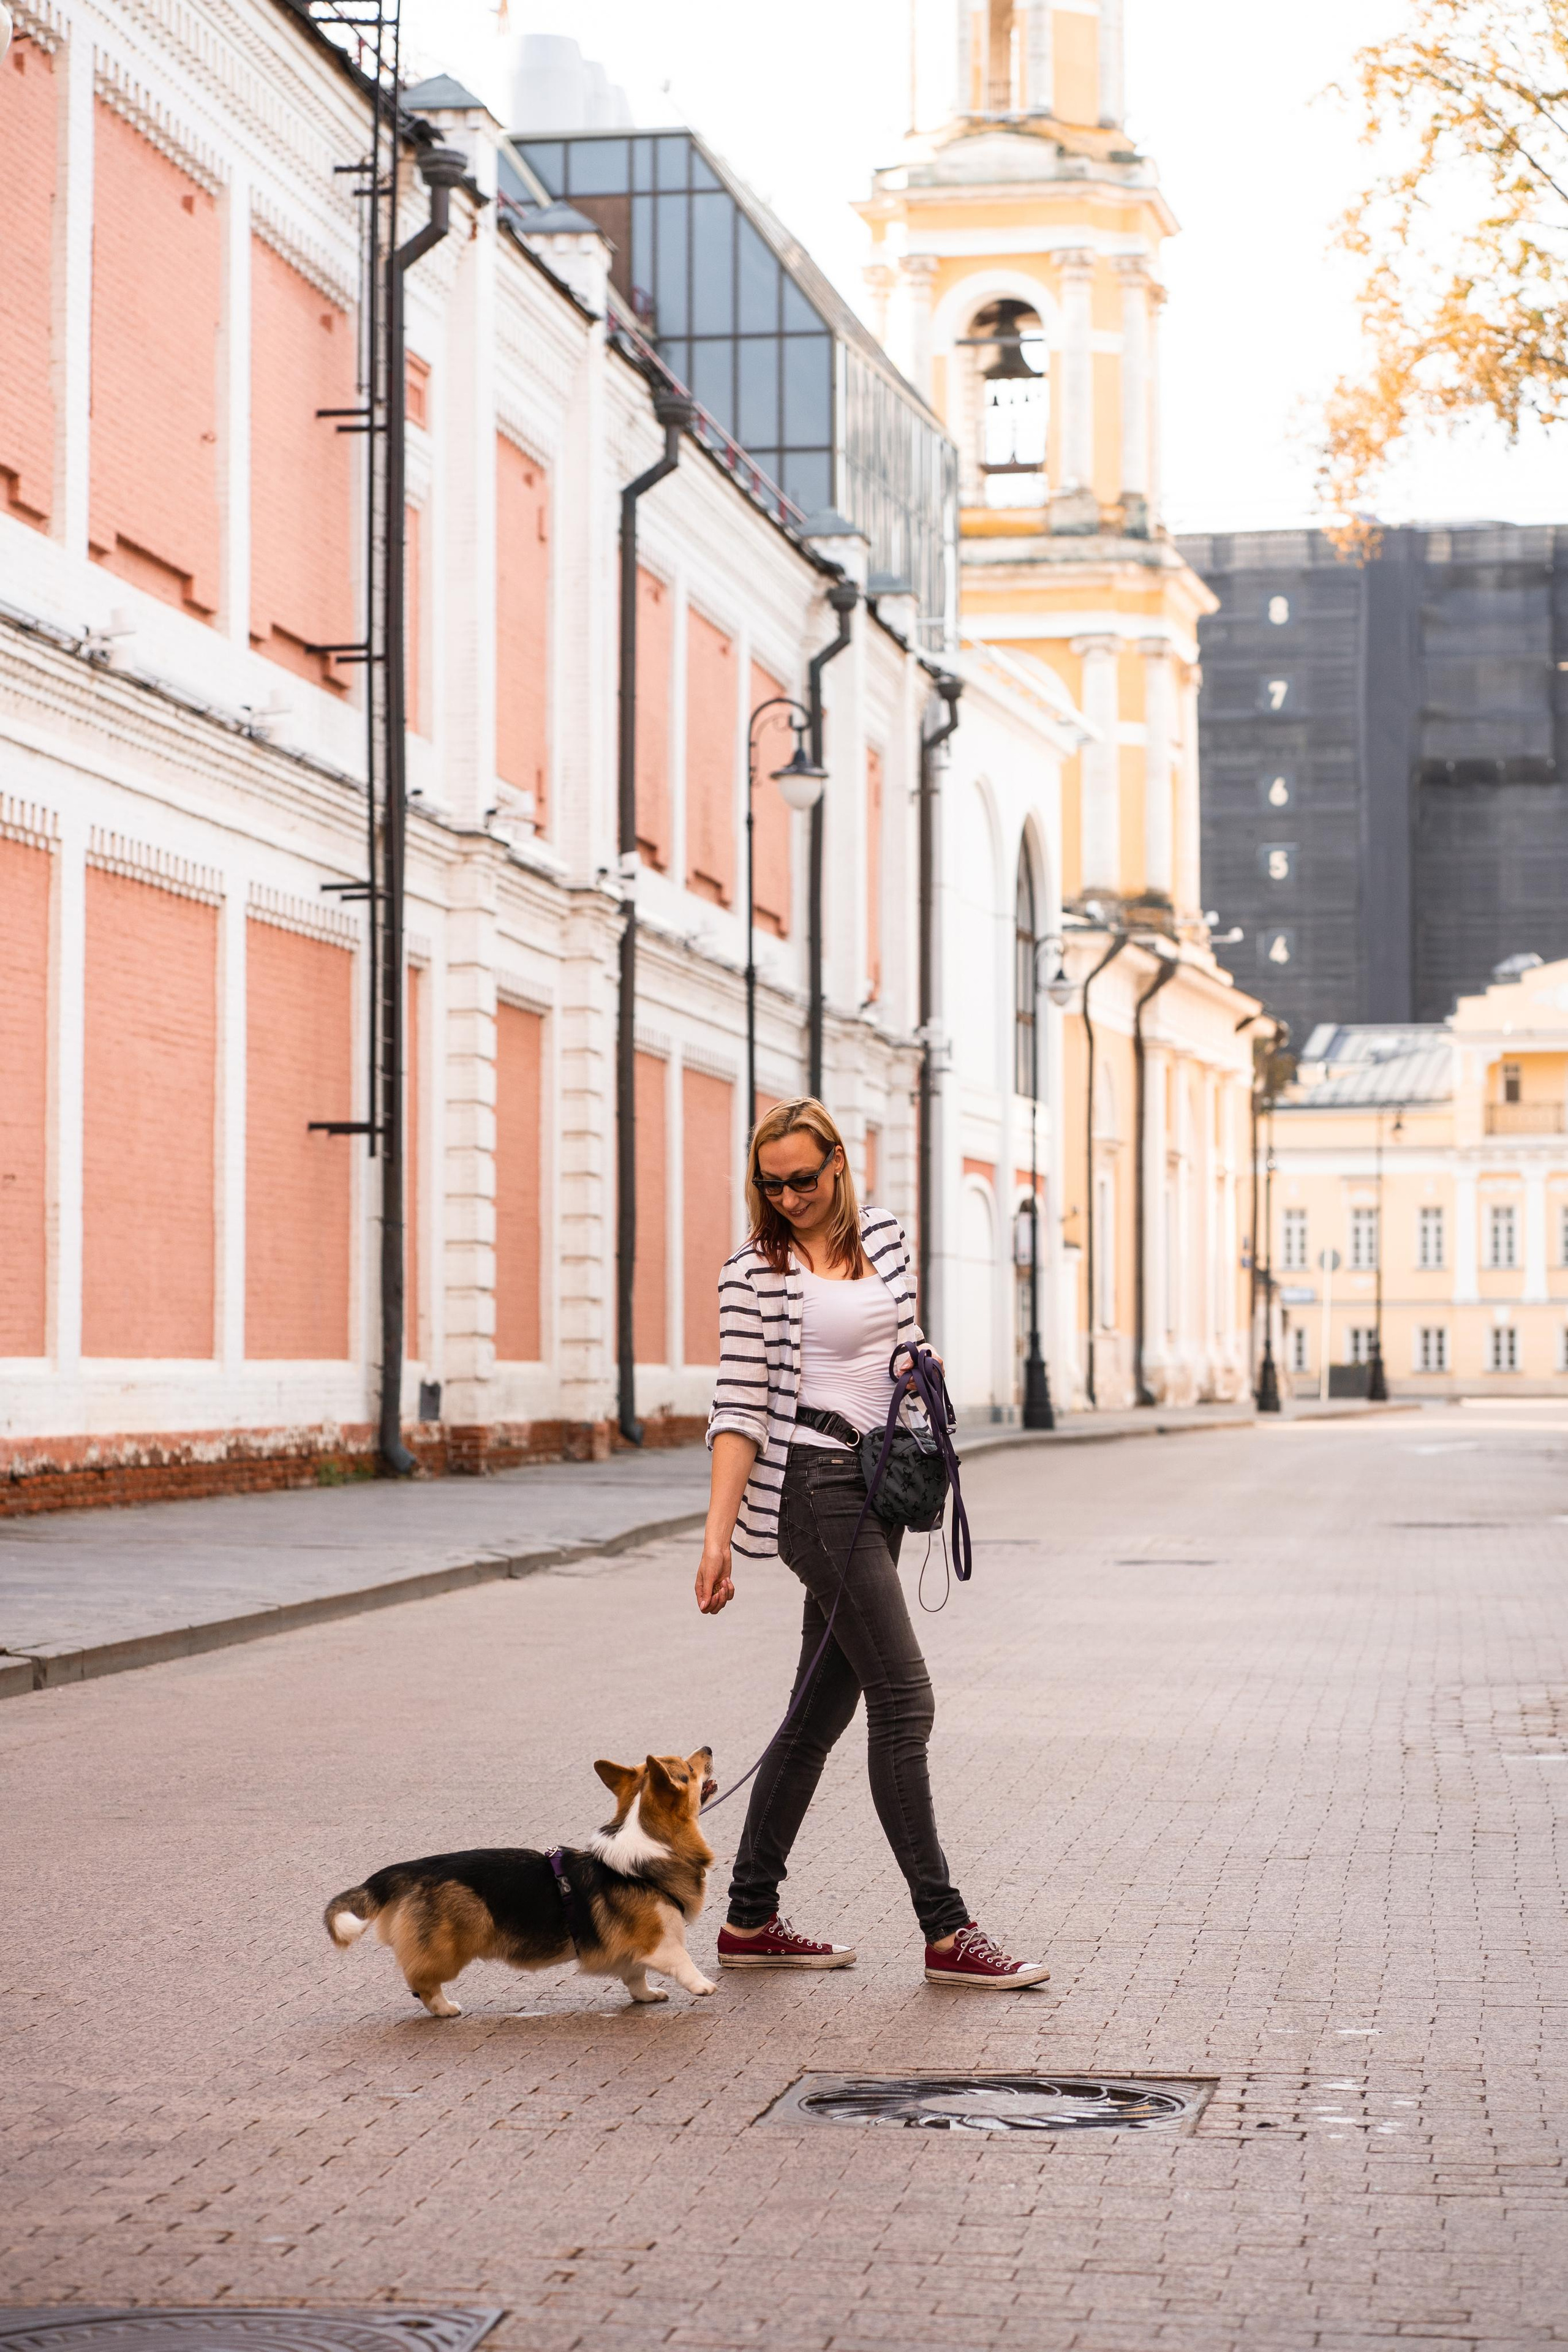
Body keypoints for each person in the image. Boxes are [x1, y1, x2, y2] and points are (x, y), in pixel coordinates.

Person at [696, 1097, 1049, 1989]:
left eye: (803, 1180)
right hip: (814, 1492)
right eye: (770, 1185)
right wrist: (717, 1540)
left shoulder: (884, 1239)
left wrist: (913, 1369)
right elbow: (738, 1408)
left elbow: (901, 1341)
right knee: (905, 1699)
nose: (788, 1198)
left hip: (881, 1483)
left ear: (840, 1166)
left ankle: (747, 1916)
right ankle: (945, 1932)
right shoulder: (753, 1271)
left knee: (818, 1712)